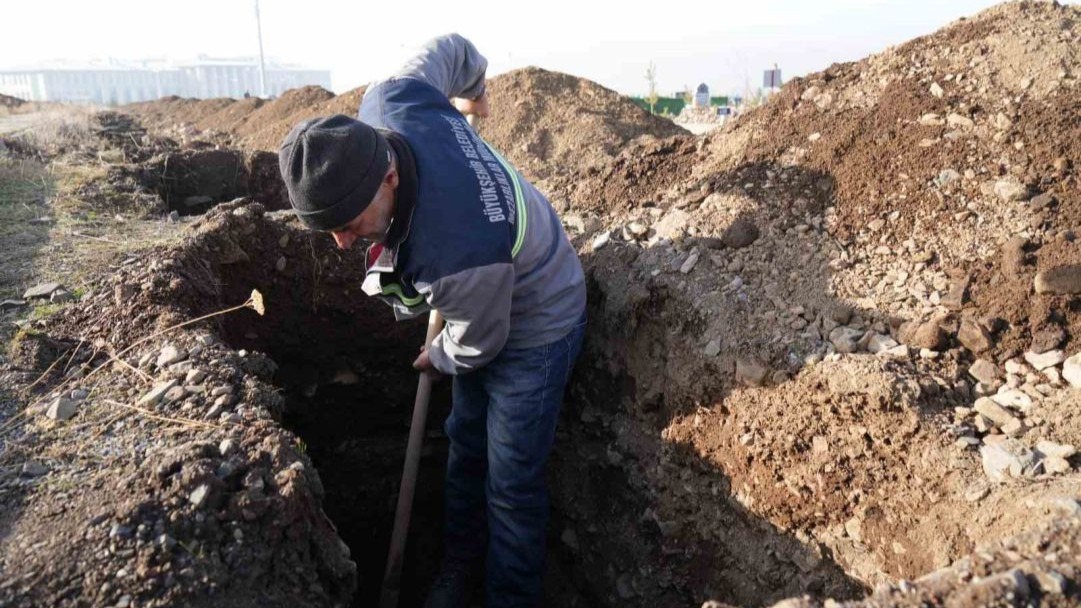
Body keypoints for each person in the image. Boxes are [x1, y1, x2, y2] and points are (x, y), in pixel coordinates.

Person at [277, 34, 587, 608]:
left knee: (511, 482)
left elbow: (481, 342)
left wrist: (439, 356)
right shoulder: (393, 98)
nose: (344, 243)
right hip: (485, 293)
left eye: (350, 222)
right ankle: (459, 565)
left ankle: (509, 596)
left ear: (388, 177)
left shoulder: (457, 249)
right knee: (465, 441)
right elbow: (451, 48)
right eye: (330, 230)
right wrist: (474, 96)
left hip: (537, 318)